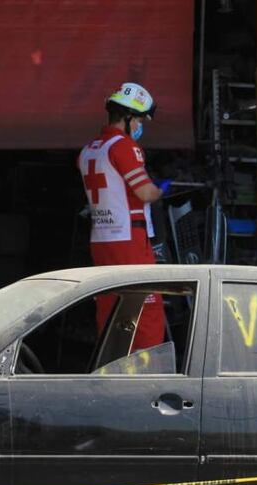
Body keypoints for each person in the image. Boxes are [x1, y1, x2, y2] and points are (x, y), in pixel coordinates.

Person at [77, 82, 171, 351]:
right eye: (141, 119)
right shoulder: (125, 147)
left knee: (110, 308)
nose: (141, 126)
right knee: (146, 311)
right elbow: (145, 192)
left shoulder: (89, 149)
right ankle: (148, 374)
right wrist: (164, 188)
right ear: (129, 117)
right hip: (130, 241)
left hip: (101, 240)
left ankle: (112, 367)